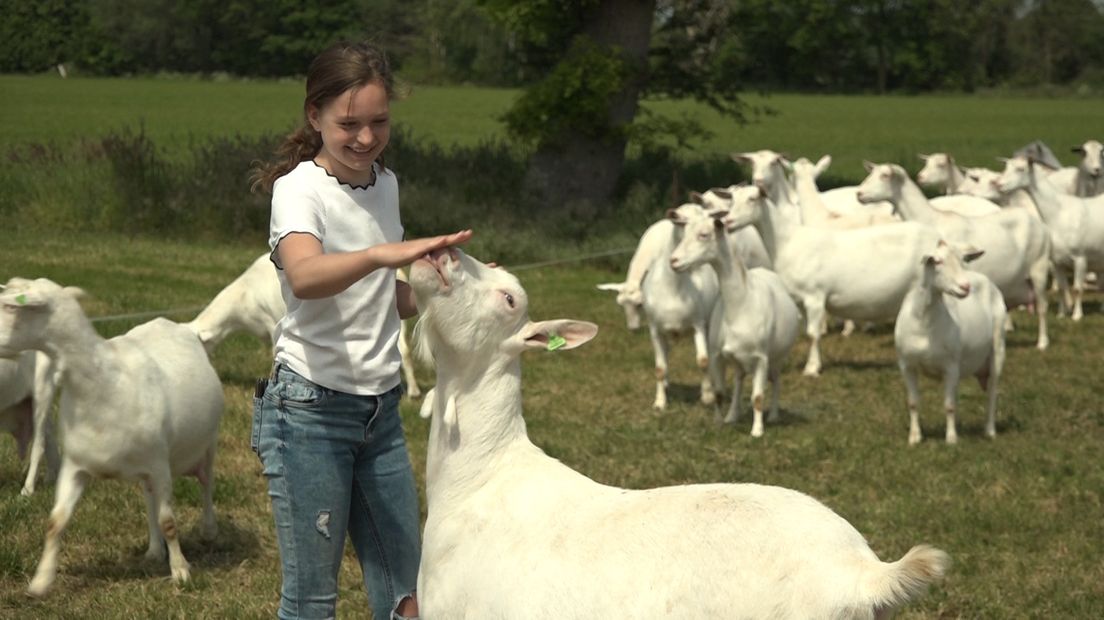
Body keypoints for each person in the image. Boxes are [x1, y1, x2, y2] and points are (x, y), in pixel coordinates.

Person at [249, 40, 469, 620]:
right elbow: (306, 276)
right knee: (313, 598)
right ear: (315, 116)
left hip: (380, 412)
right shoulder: (298, 189)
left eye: (379, 121)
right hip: (309, 412)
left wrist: (436, 287)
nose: (366, 138)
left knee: (410, 591)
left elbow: (385, 300)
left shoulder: (385, 184)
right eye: (349, 124)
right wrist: (380, 253)